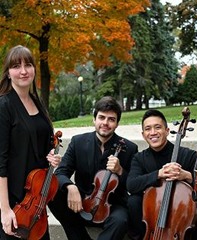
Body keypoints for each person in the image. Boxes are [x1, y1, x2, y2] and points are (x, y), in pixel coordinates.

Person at [48, 96, 138, 240]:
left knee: (121, 220)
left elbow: (134, 184)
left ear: (117, 124)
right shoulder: (78, 142)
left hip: (112, 206)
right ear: (94, 119)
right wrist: (71, 187)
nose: (105, 123)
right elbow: (61, 172)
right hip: (81, 204)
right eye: (101, 117)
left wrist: (120, 171)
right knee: (51, 193)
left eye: (111, 119)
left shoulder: (130, 148)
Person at [0, 45, 61, 240]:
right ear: (8, 73)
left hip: (35, 200)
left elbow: (43, 147)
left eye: (28, 65)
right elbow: (0, 162)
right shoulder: (4, 105)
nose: (24, 71)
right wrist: (4, 209)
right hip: (13, 201)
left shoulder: (37, 102)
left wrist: (52, 157)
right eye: (16, 66)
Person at [126, 109, 197, 240]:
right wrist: (159, 174)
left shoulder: (188, 155)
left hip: (180, 215)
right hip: (153, 217)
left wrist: (186, 175)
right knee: (133, 201)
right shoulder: (139, 158)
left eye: (158, 127)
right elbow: (131, 185)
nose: (153, 132)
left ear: (167, 131)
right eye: (148, 129)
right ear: (143, 134)